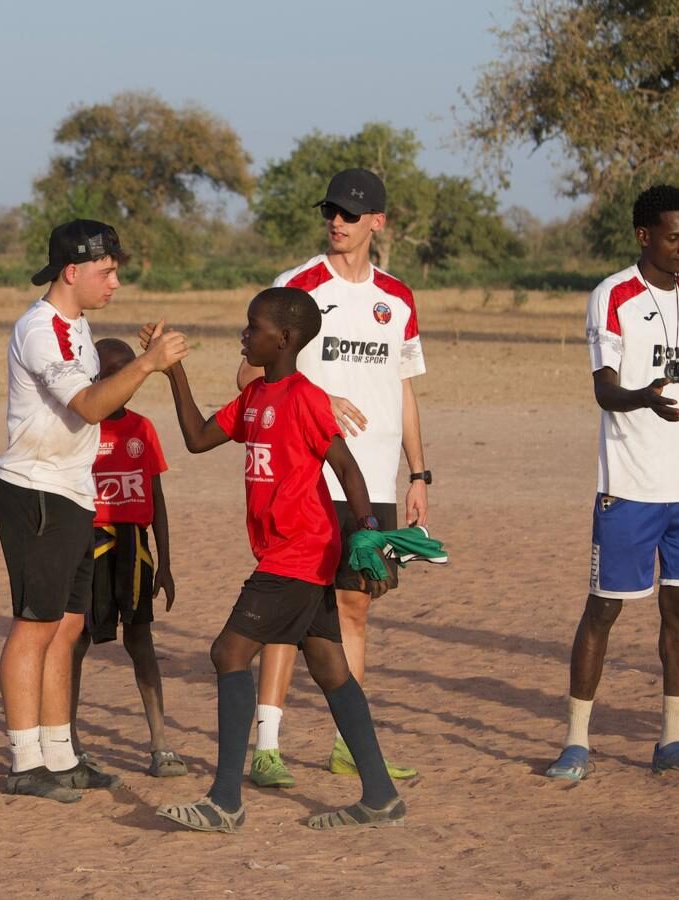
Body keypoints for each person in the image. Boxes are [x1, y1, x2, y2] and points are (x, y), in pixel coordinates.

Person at [151, 287, 406, 833]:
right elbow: (197, 439)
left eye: (253, 326)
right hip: (289, 553)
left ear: (284, 338)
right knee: (329, 667)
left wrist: (368, 535)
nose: (245, 334)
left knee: (228, 652)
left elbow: (350, 469)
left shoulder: (305, 397)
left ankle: (224, 802)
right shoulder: (255, 399)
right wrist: (170, 374)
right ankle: (381, 796)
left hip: (302, 551)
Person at [544, 185, 679, 781]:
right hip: (631, 486)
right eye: (674, 237)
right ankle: (577, 743)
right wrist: (641, 397)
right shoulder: (613, 296)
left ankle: (672, 741)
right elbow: (603, 388)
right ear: (645, 236)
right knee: (605, 608)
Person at [236, 168, 425, 787]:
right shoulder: (297, 287)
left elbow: (403, 389)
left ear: (378, 222)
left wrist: (418, 473)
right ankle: (267, 745)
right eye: (331, 212)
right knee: (291, 610)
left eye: (350, 213)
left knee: (356, 607)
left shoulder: (397, 298)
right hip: (304, 483)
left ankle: (351, 744)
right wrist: (317, 400)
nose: (337, 222)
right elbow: (247, 378)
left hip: (370, 482)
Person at [0, 219, 188, 802]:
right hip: (35, 490)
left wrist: (144, 360)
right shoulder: (39, 329)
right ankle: (26, 761)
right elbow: (90, 404)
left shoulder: (77, 325)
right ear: (71, 271)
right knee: (35, 624)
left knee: (69, 624)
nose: (117, 282)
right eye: (107, 271)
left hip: (74, 491)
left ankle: (61, 753)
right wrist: (148, 363)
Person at [67, 338, 183, 778]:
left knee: (141, 642)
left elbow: (157, 497)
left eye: (127, 371)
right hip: (89, 545)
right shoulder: (81, 428)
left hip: (135, 549)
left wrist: (166, 562)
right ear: (94, 377)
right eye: (110, 373)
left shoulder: (142, 428)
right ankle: (69, 742)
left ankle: (160, 743)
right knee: (75, 643)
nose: (122, 381)